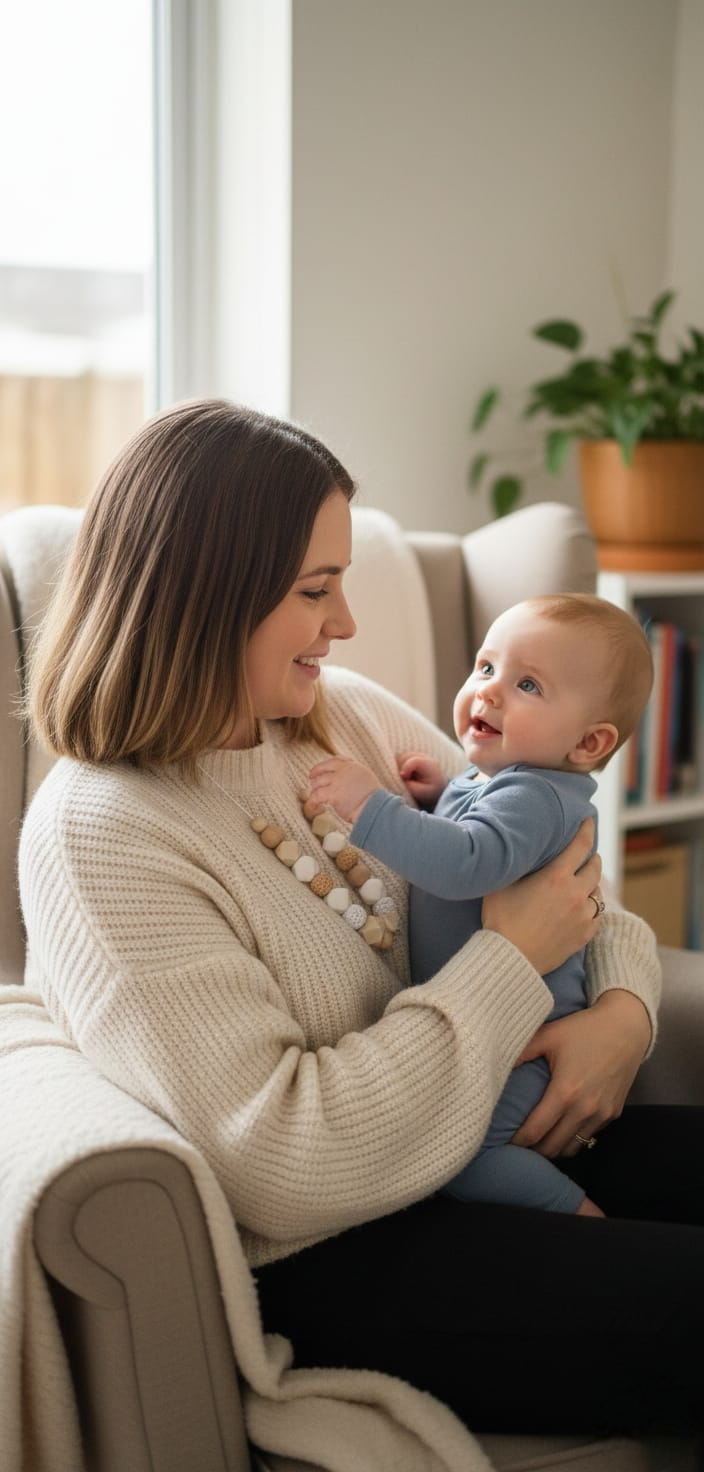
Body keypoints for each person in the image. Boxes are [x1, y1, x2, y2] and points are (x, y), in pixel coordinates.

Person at [18, 399, 704, 1447]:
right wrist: (511, 960)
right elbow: (280, 1159)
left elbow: (559, 849)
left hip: (501, 1123)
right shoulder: (104, 832)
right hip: (348, 1238)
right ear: (204, 596)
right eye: (313, 591)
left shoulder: (343, 710)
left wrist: (618, 1012)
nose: (343, 623)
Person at [307, 594, 654, 1219]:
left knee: (468, 1156)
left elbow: (469, 863)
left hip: (527, 1042)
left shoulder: (538, 795)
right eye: (486, 667)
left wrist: (374, 807)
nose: (489, 693)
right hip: (502, 1027)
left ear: (588, 742)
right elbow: (485, 834)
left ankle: (576, 1217)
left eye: (527, 684)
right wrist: (442, 794)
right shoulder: (503, 777)